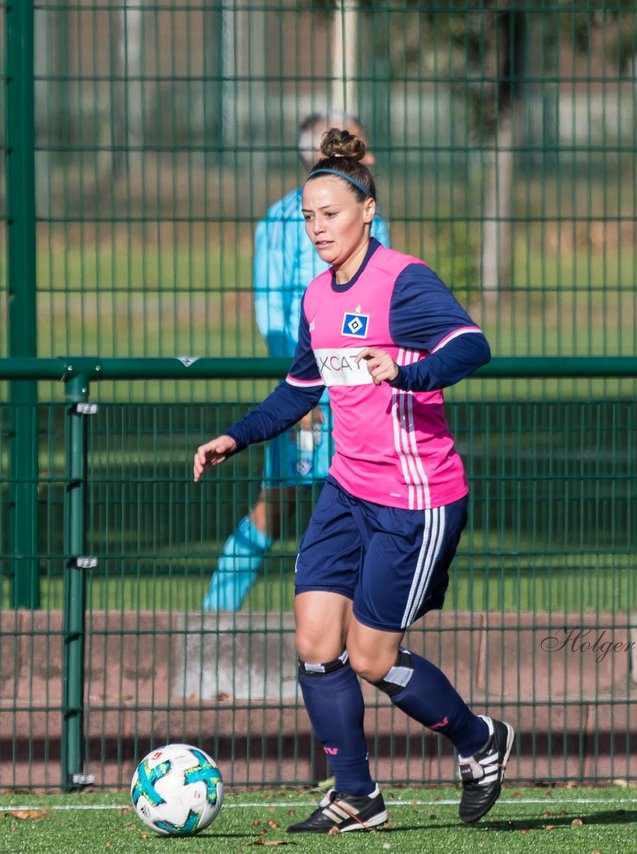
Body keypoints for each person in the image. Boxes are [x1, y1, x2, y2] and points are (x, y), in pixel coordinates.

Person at [193, 128, 513, 832]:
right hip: (347, 490)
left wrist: (409, 370)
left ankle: (477, 740)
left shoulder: (403, 280)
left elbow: (471, 344)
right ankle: (357, 795)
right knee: (314, 640)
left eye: (330, 214)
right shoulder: (317, 297)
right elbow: (299, 387)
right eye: (308, 217)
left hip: (414, 497)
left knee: (371, 656)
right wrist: (235, 437)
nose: (316, 229)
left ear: (367, 211)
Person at [202, 111, 391, 613]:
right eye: (356, 145)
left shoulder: (375, 220)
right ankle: (214, 621)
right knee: (277, 503)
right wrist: (300, 393)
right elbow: (272, 312)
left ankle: (362, 627)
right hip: (313, 396)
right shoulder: (282, 220)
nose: (368, 155)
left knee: (369, 510)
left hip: (362, 397)